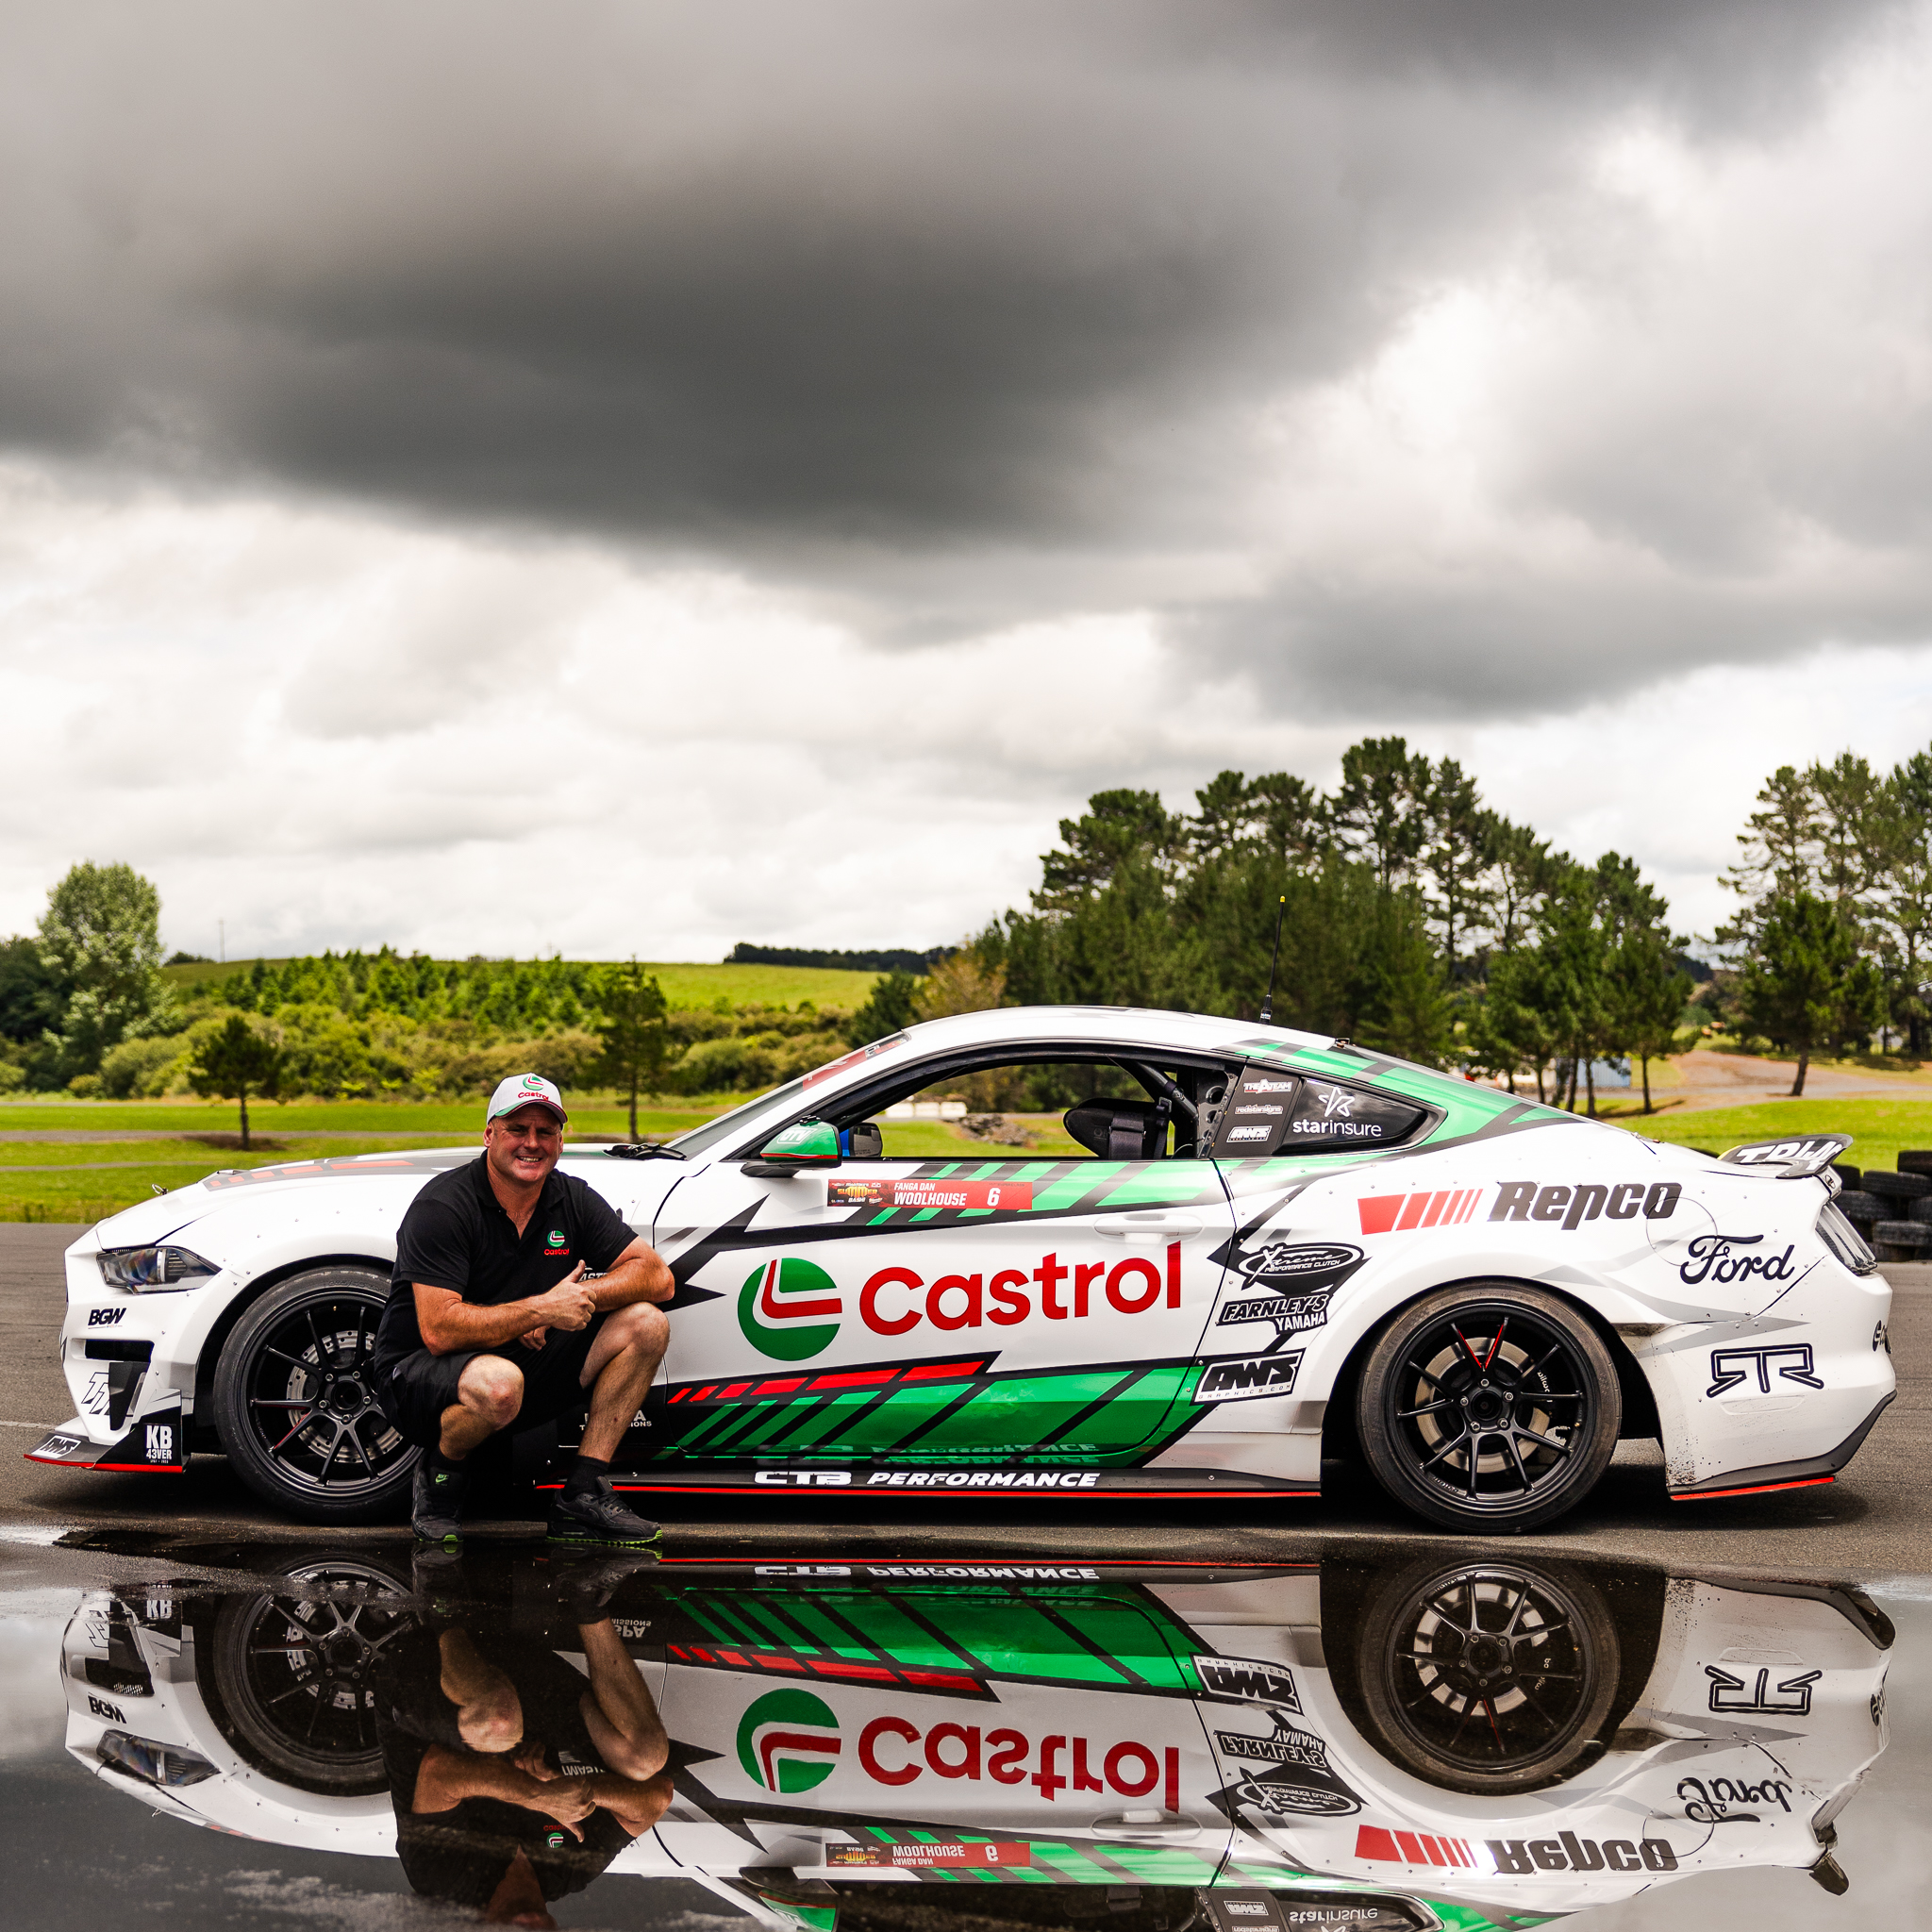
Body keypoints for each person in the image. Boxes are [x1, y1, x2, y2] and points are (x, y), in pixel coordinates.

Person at [373, 1072, 674, 1548]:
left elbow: (657, 1277)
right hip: (419, 1372)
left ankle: (583, 1492)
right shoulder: (443, 1205)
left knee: (647, 1323)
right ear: (489, 1134)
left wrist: (577, 1301)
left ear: (560, 1141)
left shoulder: (571, 1196)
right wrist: (538, 1310)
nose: (532, 1143)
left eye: (545, 1131)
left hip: (521, 1361)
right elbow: (438, 1330)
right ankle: (441, 1474)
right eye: (517, 1129)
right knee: (499, 1384)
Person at [376, 1557, 675, 1924]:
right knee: (645, 1757)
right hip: (528, 1688)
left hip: (428, 1684)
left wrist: (537, 1796)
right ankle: (587, 1596)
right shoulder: (564, 1874)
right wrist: (572, 1790)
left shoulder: (446, 1884)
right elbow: (656, 1798)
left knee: (498, 1724)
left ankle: (442, 1604)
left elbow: (440, 1772)